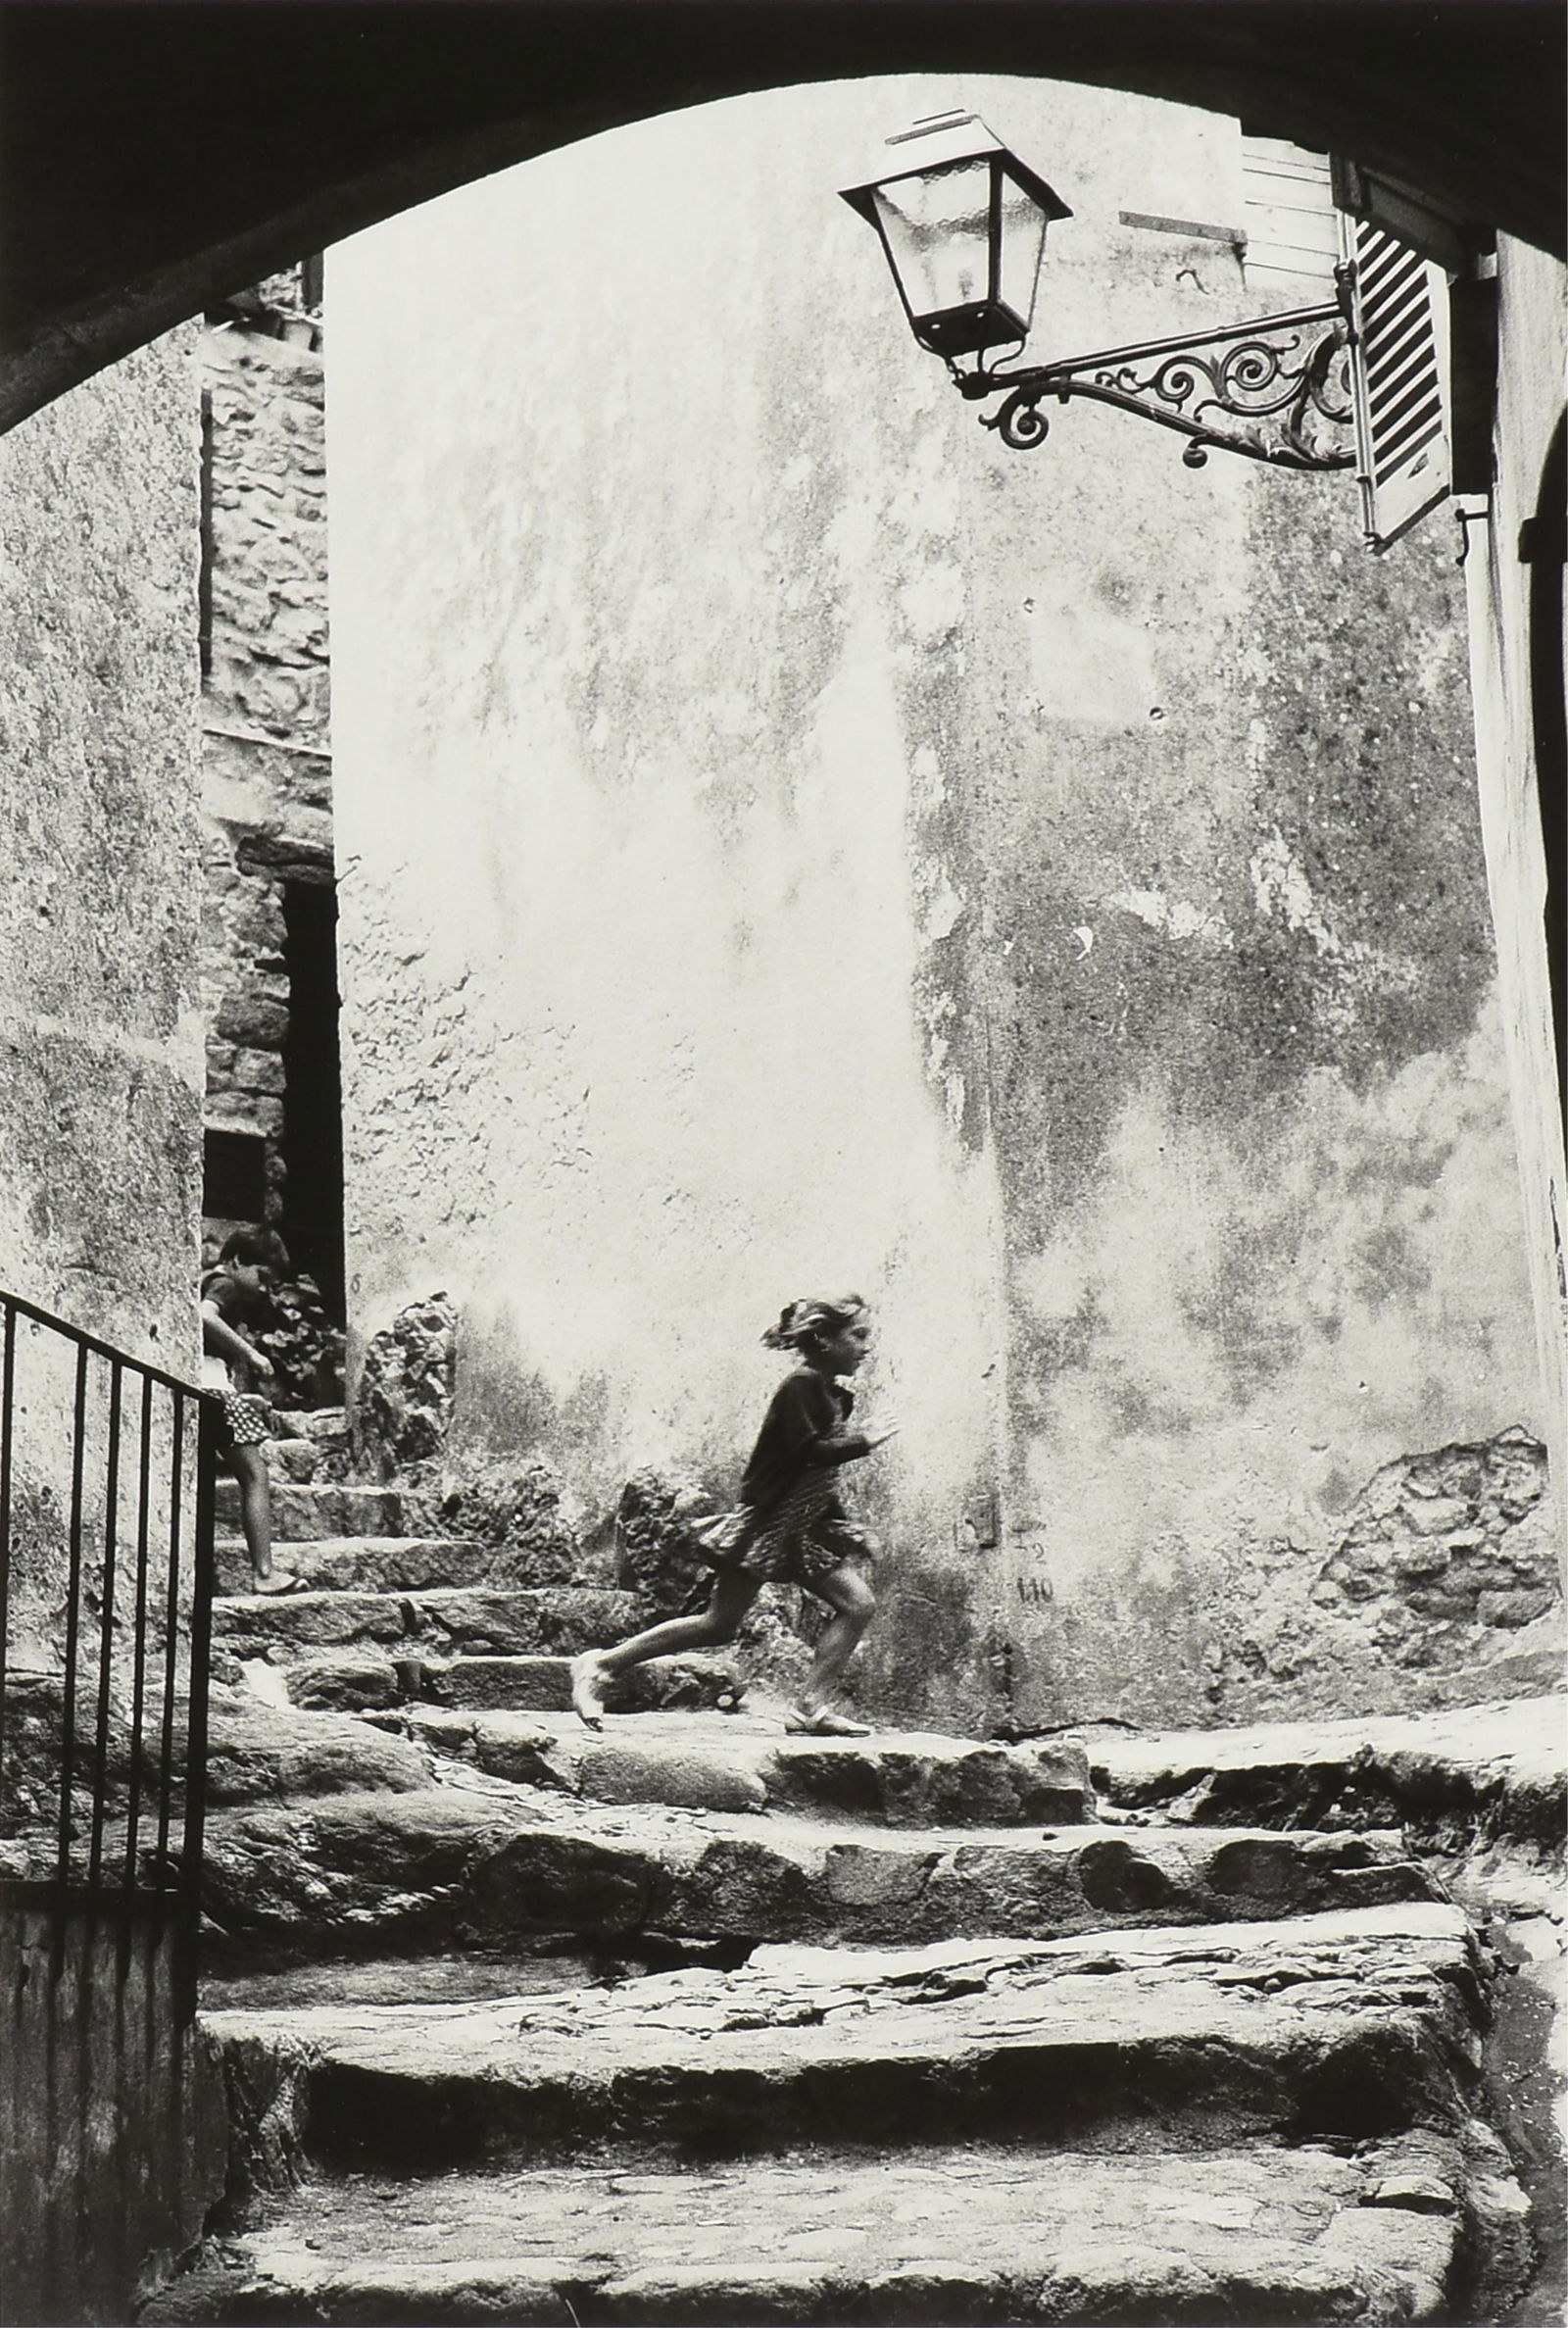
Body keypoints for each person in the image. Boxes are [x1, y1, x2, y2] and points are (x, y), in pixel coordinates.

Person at [570, 1293, 899, 1736]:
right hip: (767, 1525)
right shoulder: (799, 1387)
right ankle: (602, 1665)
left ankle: (809, 1706)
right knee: (718, 1625)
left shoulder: (835, 1395)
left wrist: (843, 1527)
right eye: (857, 1335)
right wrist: (864, 1442)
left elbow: (819, 1477)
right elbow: (807, 1453)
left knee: (857, 1605)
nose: (866, 1347)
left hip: (801, 1531)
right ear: (822, 1338)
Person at [201, 1227, 305, 1596]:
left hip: (205, 1384)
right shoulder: (224, 1284)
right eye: (262, 1277)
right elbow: (206, 1317)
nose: (264, 1288)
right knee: (254, 1473)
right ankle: (263, 1572)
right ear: (238, 1261)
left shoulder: (208, 1280)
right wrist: (251, 1354)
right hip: (210, 1387)